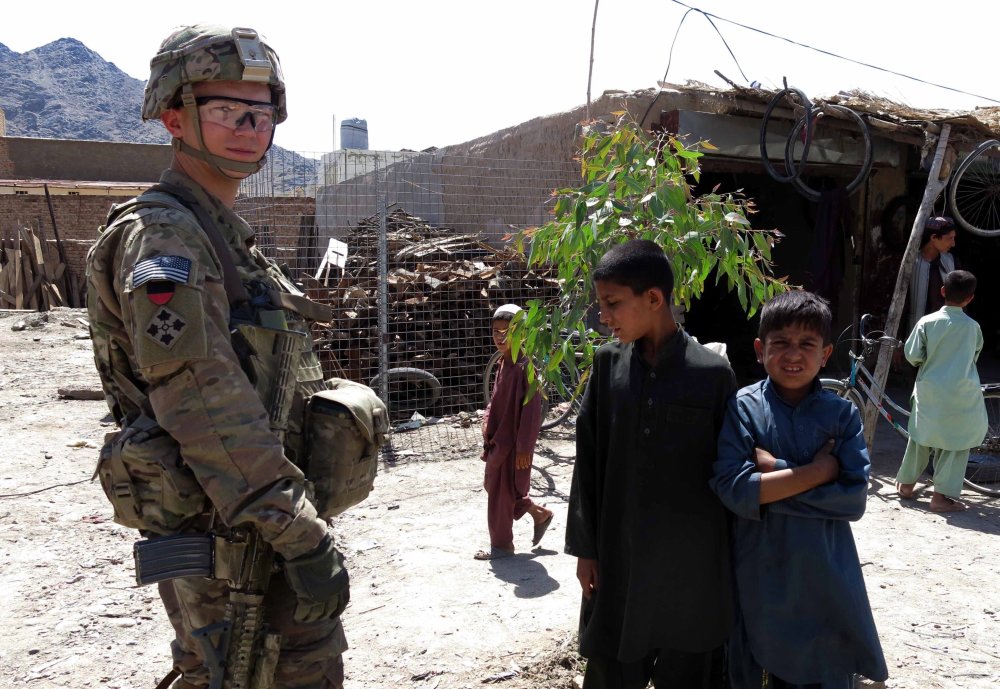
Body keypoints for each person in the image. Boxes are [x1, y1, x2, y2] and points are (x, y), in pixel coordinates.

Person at [86, 25, 349, 689]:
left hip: (254, 529)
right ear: (175, 117)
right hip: (232, 544)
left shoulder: (221, 234)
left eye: (260, 113)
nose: (248, 127)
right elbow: (199, 394)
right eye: (226, 111)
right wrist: (297, 529)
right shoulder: (163, 235)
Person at [565, 239, 737, 689]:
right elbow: (588, 462)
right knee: (611, 665)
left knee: (688, 666)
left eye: (612, 304)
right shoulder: (607, 366)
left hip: (691, 568)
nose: (603, 316)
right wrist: (587, 548)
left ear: (654, 299)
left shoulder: (712, 375)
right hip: (618, 556)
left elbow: (728, 470)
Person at [711, 290, 888, 689]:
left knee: (819, 668)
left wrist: (776, 471)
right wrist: (818, 472)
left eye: (807, 344)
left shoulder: (841, 414)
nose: (793, 355)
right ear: (760, 349)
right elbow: (734, 490)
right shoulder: (743, 407)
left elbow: (852, 499)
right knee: (750, 663)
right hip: (757, 565)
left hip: (821, 571)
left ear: (825, 354)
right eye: (781, 343)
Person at [896, 270, 987, 513]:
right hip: (961, 393)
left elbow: (913, 356)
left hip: (929, 391)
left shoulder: (926, 322)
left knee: (920, 438)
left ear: (943, 291)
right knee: (955, 444)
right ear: (970, 298)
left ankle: (905, 486)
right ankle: (941, 497)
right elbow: (974, 355)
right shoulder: (973, 327)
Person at [476, 303, 554, 560]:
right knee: (500, 487)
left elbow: (531, 413)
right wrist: (487, 422)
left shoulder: (525, 367)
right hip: (498, 441)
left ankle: (501, 546)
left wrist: (524, 448)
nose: (500, 337)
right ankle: (539, 514)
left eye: (506, 332)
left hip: (512, 444)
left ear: (520, 333)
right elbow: (495, 401)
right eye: (495, 332)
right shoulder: (503, 363)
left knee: (500, 493)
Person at [908, 216, 960, 331]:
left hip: (944, 329)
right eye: (949, 238)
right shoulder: (911, 262)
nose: (953, 244)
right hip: (917, 327)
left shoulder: (951, 261)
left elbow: (959, 298)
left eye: (954, 238)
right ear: (934, 238)